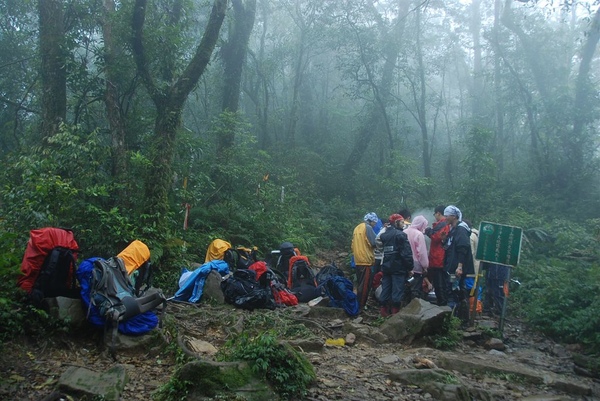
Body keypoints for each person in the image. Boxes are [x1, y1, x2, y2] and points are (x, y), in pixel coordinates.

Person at [443, 205, 475, 324]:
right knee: (458, 291)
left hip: (457, 268)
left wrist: (460, 266)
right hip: (452, 266)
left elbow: (463, 248)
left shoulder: (461, 230)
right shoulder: (453, 229)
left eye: (447, 216)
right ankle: (461, 320)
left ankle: (453, 320)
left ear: (454, 216)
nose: (445, 218)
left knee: (454, 292)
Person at [377, 214, 414, 317]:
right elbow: (406, 253)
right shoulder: (400, 235)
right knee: (397, 291)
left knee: (386, 288)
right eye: (402, 222)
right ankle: (395, 314)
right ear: (396, 222)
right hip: (398, 268)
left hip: (386, 266)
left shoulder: (384, 235)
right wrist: (410, 267)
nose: (403, 225)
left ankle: (383, 312)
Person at [352, 212, 378, 310]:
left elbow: (353, 244)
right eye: (374, 222)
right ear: (371, 221)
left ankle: (358, 304)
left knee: (360, 282)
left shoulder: (357, 228)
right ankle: (360, 307)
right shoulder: (368, 228)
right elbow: (374, 242)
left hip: (358, 259)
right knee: (365, 285)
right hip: (366, 259)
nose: (375, 224)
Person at [425, 205, 451, 306]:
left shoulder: (443, 224)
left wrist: (428, 231)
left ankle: (442, 302)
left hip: (439, 258)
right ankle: (442, 301)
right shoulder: (444, 224)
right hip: (438, 257)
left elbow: (436, 237)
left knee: (439, 282)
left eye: (435, 214)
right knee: (440, 281)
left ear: (438, 213)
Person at [404, 215, 429, 300]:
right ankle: (414, 308)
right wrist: (425, 266)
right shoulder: (419, 234)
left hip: (404, 264)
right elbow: (421, 253)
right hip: (416, 265)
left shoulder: (404, 231)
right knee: (416, 288)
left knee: (405, 287)